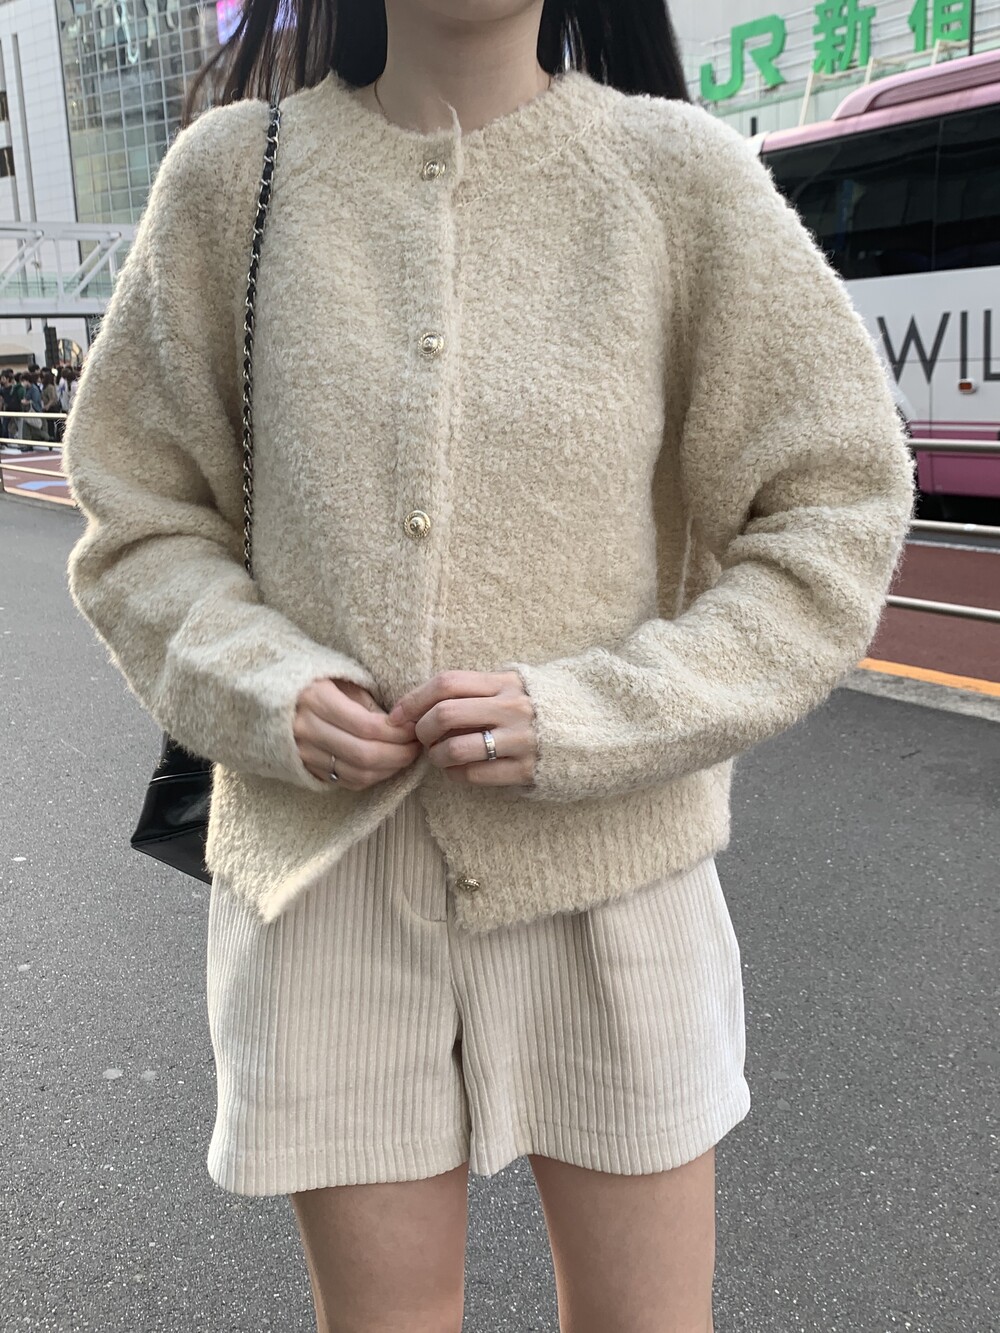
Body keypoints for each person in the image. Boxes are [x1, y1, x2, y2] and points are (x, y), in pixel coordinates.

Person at [61, 3, 915, 1331]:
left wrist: (601, 716)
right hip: (326, 882)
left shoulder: (677, 177)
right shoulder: (234, 179)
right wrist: (264, 684)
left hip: (613, 872)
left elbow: (834, 510)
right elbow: (141, 516)